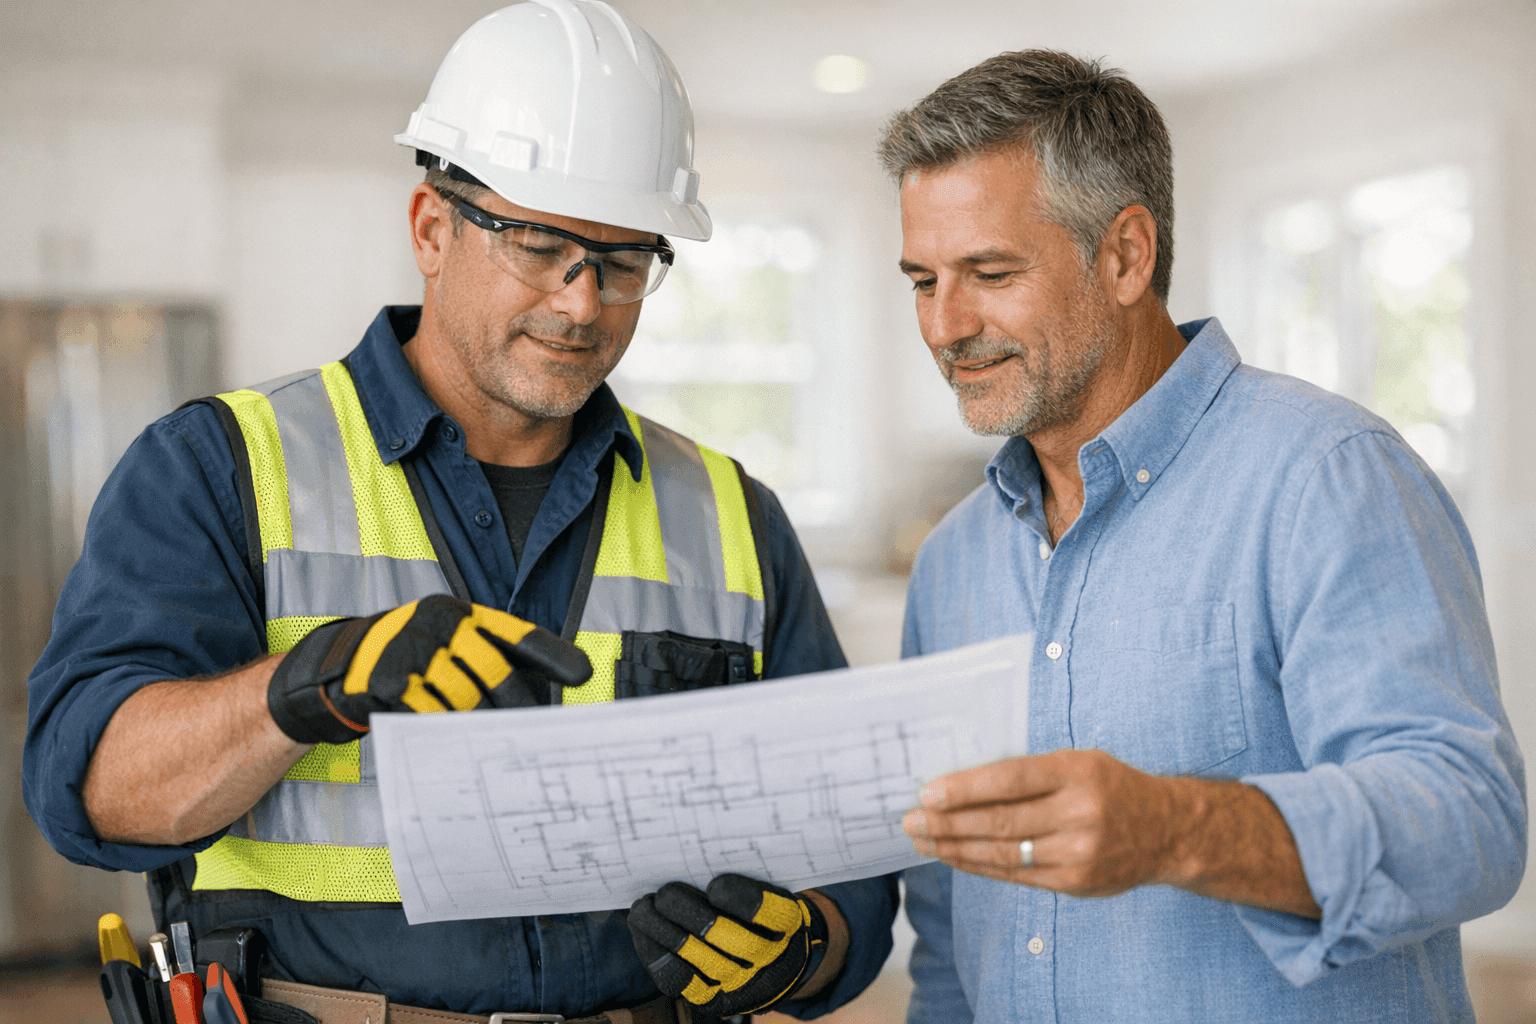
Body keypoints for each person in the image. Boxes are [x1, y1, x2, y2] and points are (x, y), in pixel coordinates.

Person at [22, 3, 896, 1021]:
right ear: (432, 229)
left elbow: (855, 857)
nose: (582, 304)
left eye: (622, 262)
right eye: (538, 244)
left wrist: (805, 948)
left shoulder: (732, 514)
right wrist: (307, 687)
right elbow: (92, 793)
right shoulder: (220, 468)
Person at [878, 50, 1525, 1023]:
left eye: (990, 272)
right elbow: (946, 925)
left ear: (1127, 255)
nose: (944, 324)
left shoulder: (1330, 474)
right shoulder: (952, 561)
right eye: (922, 280)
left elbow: (1471, 820)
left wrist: (1178, 828)